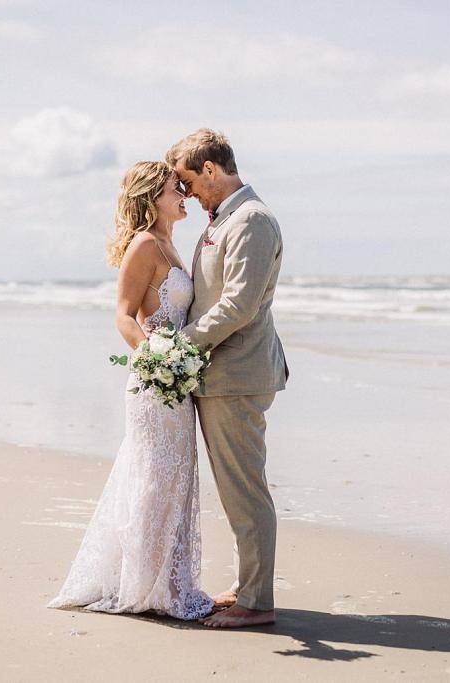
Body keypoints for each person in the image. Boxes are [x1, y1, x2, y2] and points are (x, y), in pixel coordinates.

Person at [46, 161, 213, 620]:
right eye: (174, 188)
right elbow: (123, 315)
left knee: (173, 479)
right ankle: (143, 586)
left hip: (176, 381)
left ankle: (167, 583)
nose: (184, 192)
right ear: (150, 197)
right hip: (155, 382)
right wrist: (157, 360)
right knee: (154, 478)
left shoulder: (171, 245)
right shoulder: (144, 245)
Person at [166, 129, 289, 628]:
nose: (188, 195)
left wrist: (180, 346)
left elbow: (237, 305)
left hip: (238, 374)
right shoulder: (226, 218)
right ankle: (247, 584)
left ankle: (256, 604)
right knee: (236, 488)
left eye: (189, 182)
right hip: (221, 374)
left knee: (245, 490)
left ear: (211, 169)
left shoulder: (252, 221)